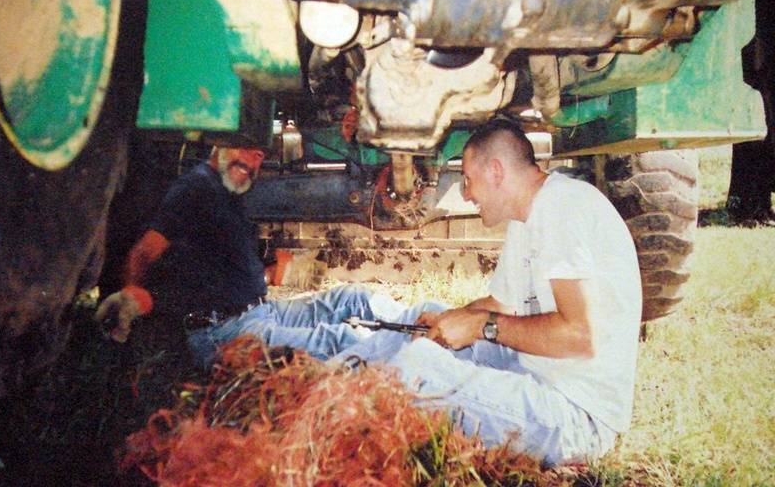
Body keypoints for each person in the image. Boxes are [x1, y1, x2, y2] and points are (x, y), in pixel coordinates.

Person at [188, 119, 642, 465]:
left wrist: (480, 326)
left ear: (497, 171)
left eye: (467, 180)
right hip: (535, 370)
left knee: (411, 369)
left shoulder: (563, 209)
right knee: (420, 324)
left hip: (575, 415)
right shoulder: (532, 215)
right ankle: (298, 358)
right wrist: (449, 321)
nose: (466, 195)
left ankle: (286, 387)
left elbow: (578, 336)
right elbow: (499, 305)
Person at [95, 145, 285, 342]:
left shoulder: (226, 192)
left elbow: (231, 270)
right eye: (244, 147)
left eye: (259, 155)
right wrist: (131, 303)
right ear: (219, 143)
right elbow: (144, 253)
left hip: (252, 312)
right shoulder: (198, 186)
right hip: (227, 326)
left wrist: (269, 273)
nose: (254, 159)